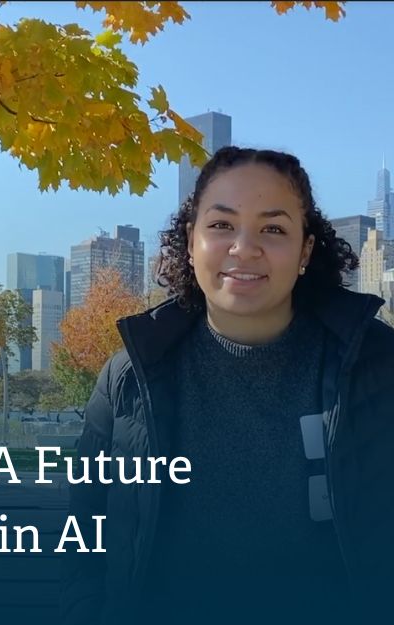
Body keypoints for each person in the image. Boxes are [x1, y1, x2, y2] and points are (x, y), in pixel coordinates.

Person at [62, 147, 394, 625]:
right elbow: (84, 532)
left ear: (305, 251)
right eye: (221, 225)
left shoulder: (378, 367)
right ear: (190, 241)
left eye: (273, 229)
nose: (244, 247)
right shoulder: (128, 377)